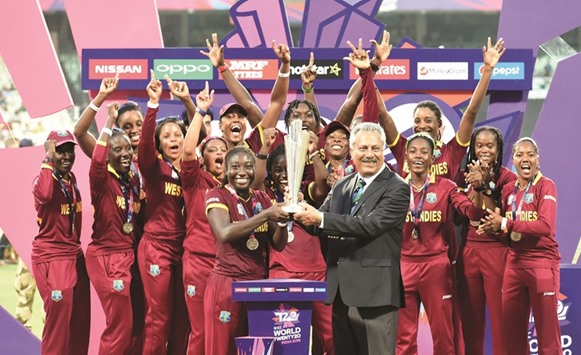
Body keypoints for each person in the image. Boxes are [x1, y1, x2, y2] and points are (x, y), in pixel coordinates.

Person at [294, 122, 409, 355]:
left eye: (376, 149)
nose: (369, 155)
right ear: (352, 151)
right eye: (363, 148)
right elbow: (320, 226)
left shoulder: (397, 187)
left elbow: (370, 225)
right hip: (340, 292)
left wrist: (320, 218)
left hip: (375, 294)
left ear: (383, 150)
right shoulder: (343, 185)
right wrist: (297, 209)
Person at [395, 133, 484, 355]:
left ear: (433, 157)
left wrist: (479, 190)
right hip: (404, 265)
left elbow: (472, 212)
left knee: (443, 336)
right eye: (413, 151)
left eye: (424, 152)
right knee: (404, 339)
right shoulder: (395, 188)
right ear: (405, 156)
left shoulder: (446, 187)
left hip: (436, 267)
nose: (418, 156)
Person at [378, 37, 506, 179]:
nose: (422, 126)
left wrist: (487, 70)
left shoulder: (451, 151)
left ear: (439, 124)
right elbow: (382, 114)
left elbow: (471, 112)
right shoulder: (403, 148)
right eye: (417, 121)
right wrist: (372, 67)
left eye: (428, 120)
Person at [478, 137, 561, 355]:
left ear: (538, 160)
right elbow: (507, 230)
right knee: (512, 334)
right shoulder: (508, 191)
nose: (525, 159)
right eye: (520, 155)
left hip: (542, 263)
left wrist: (504, 223)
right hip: (514, 264)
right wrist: (493, 228)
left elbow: (545, 226)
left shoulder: (546, 185)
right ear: (513, 161)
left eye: (530, 154)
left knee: (547, 336)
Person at [204, 146, 289, 355]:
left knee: (256, 350)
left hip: (258, 285)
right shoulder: (217, 195)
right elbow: (224, 232)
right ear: (225, 170)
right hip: (228, 284)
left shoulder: (261, 198)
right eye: (235, 167)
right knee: (222, 350)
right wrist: (266, 215)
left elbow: (278, 244)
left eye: (248, 167)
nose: (242, 172)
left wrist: (283, 220)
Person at [258, 144, 334, 354]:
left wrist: (313, 152)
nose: (284, 175)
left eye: (289, 169)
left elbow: (322, 185)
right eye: (278, 170)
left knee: (330, 337)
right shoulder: (265, 199)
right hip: (282, 274)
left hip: (317, 274)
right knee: (285, 340)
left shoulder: (309, 195)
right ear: (270, 174)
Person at [138, 71, 190, 354]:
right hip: (156, 248)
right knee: (159, 320)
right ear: (160, 144)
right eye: (166, 136)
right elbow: (144, 148)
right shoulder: (154, 169)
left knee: (183, 322)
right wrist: (153, 105)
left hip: (185, 251)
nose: (173, 139)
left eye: (178, 134)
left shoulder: (193, 173)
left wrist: (191, 102)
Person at [455, 127, 516, 355]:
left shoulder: (508, 177)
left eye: (490, 146)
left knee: (501, 320)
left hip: (497, 250)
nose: (484, 150)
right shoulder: (462, 175)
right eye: (479, 145)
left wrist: (483, 187)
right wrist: (474, 188)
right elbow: (468, 215)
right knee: (471, 320)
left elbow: (492, 216)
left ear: (499, 149)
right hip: (468, 249)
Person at [85, 108, 141, 354]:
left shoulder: (130, 181)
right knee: (120, 326)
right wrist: (108, 120)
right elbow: (97, 159)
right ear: (108, 154)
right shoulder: (102, 180)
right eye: (117, 150)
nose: (125, 153)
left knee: (127, 325)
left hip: (126, 255)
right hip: (106, 257)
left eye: (127, 147)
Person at [32, 130, 90, 355]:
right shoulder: (43, 179)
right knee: (58, 326)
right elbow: (46, 195)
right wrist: (47, 158)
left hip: (74, 256)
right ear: (51, 152)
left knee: (79, 322)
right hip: (53, 258)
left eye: (70, 151)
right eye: (60, 151)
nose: (66, 156)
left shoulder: (71, 179)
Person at [181, 82, 228, 355]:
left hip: (226, 266)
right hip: (198, 262)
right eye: (212, 149)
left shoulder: (234, 187)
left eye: (223, 149)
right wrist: (199, 110)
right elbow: (188, 152)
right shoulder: (194, 180)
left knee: (223, 329)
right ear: (203, 158)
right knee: (200, 330)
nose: (219, 152)